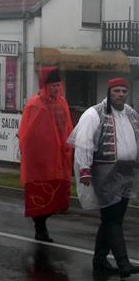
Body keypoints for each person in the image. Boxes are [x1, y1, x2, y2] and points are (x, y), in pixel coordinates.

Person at [68, 77, 139, 278]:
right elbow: (84, 141)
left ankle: (99, 260)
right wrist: (85, 168)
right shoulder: (94, 113)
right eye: (116, 91)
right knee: (113, 218)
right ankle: (123, 263)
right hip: (104, 172)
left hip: (126, 172)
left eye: (123, 91)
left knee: (112, 219)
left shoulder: (131, 114)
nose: (120, 94)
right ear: (108, 92)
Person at [18, 66, 72, 242]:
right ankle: (40, 227)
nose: (56, 89)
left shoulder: (62, 102)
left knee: (58, 196)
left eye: (58, 85)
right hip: (41, 159)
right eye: (52, 85)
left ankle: (41, 225)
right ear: (45, 86)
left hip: (59, 157)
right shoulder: (35, 104)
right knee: (41, 195)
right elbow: (29, 133)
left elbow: (66, 126)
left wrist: (67, 146)